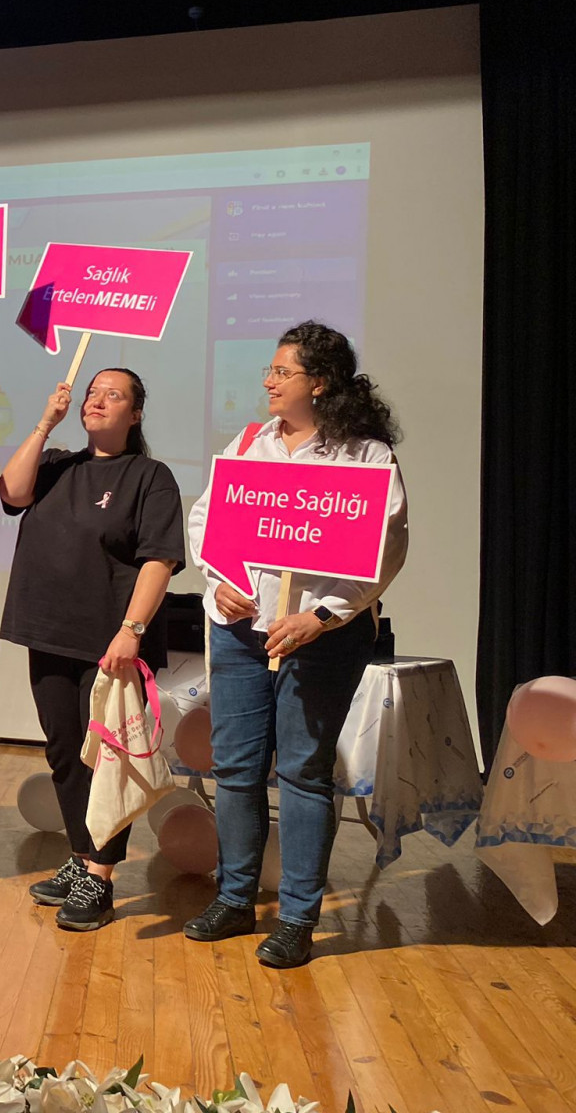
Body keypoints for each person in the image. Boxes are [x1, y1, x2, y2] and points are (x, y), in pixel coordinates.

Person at [183, 321, 407, 968]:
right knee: (235, 769)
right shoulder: (250, 442)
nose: (268, 382)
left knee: (305, 773)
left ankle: (298, 919)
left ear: (322, 382)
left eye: (282, 372)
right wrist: (220, 578)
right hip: (240, 632)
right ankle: (234, 898)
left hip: (321, 639)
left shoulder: (364, 456)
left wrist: (324, 616)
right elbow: (206, 518)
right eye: (270, 370)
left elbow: (386, 547)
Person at [0, 369, 185, 931]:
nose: (98, 400)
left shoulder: (150, 476)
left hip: (109, 643)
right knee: (64, 752)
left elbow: (160, 559)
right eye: (92, 392)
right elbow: (11, 493)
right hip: (48, 630)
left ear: (136, 413)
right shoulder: (58, 464)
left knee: (107, 758)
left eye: (114, 394)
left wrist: (132, 630)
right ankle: (81, 857)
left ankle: (100, 876)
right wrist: (44, 423)